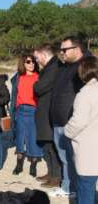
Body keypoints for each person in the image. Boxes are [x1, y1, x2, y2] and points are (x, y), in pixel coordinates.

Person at [49, 36, 86, 197]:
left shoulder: (84, 67)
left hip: (70, 122)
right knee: (64, 157)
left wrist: (74, 119)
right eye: (61, 50)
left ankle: (73, 188)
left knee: (72, 158)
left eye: (65, 50)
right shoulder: (66, 67)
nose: (61, 53)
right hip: (58, 120)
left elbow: (86, 97)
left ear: (77, 49)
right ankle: (67, 186)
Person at [64, 56, 98, 204]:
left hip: (89, 150)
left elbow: (78, 122)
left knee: (85, 187)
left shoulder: (85, 94)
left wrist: (66, 130)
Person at [33, 44, 62, 188]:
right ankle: (51, 173)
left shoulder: (54, 67)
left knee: (52, 146)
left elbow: (38, 88)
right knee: (47, 146)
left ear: (44, 55)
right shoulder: (50, 67)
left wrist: (36, 84)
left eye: (37, 58)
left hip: (50, 111)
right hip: (45, 111)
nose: (37, 61)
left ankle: (56, 177)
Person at [10, 55, 42, 177]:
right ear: (23, 63)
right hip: (20, 110)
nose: (31, 64)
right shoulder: (18, 77)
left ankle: (33, 165)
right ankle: (19, 164)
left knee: (33, 138)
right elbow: (14, 95)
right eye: (28, 62)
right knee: (20, 137)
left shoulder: (39, 77)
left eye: (33, 61)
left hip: (33, 110)